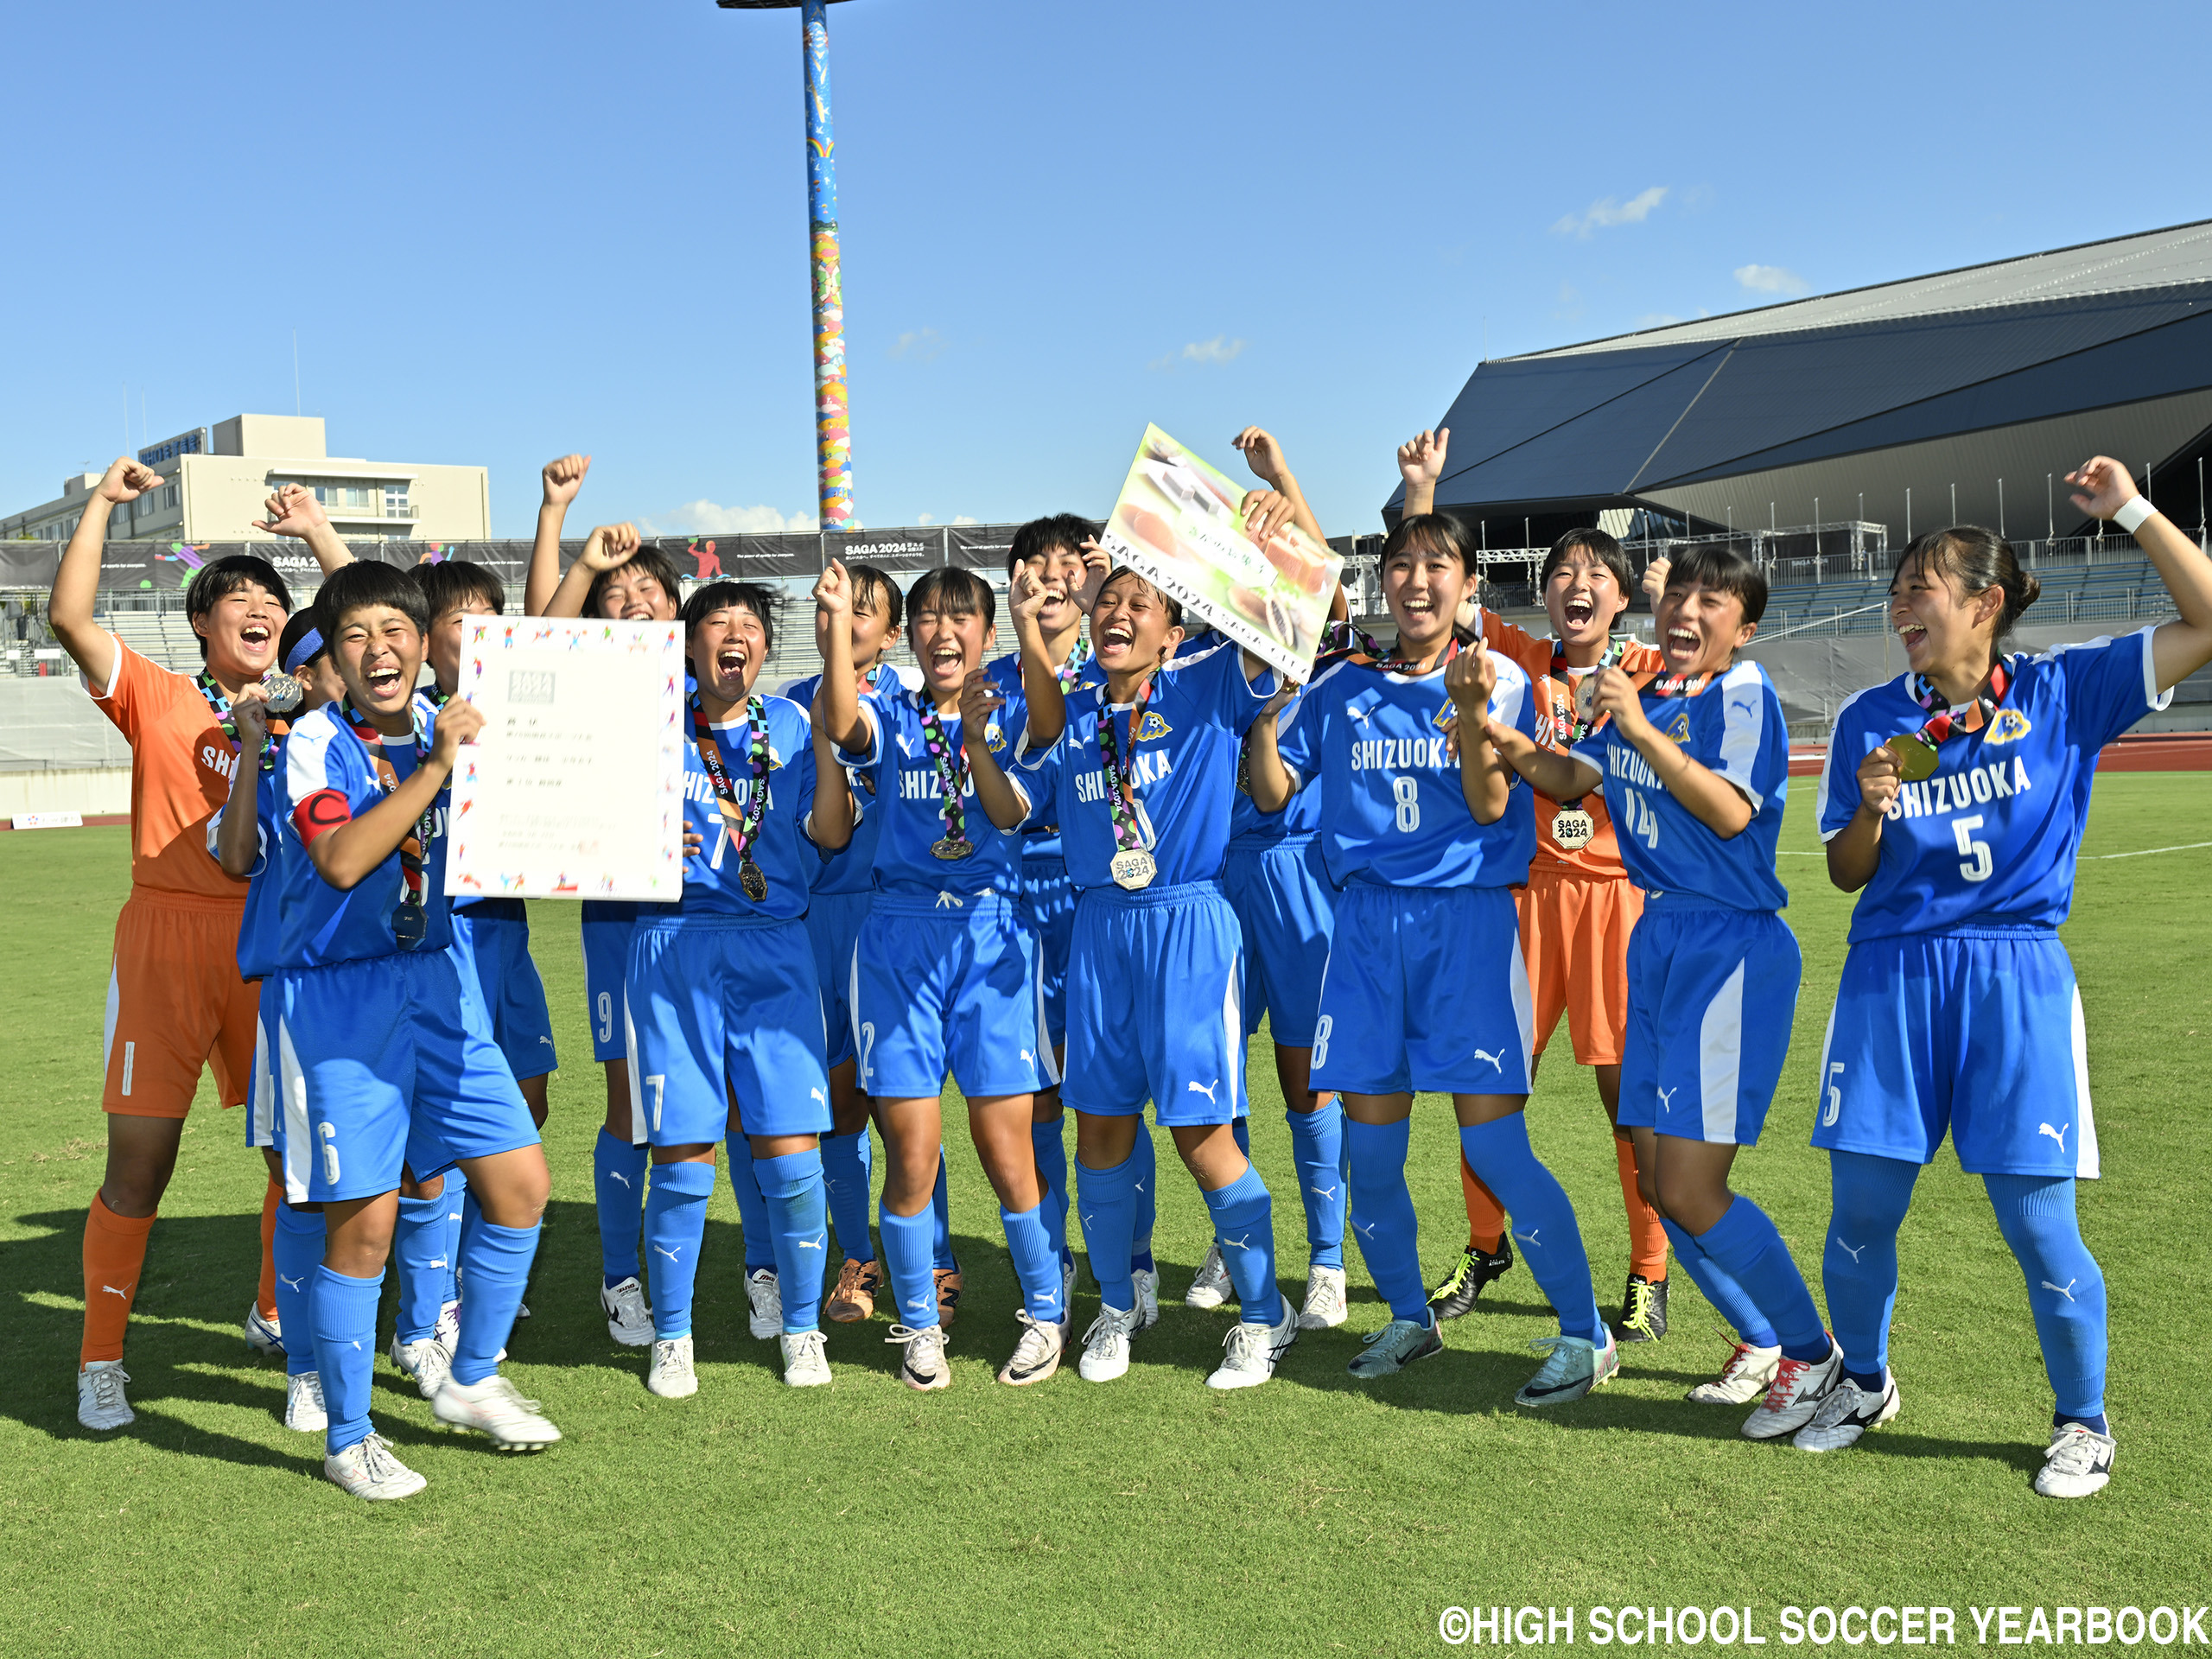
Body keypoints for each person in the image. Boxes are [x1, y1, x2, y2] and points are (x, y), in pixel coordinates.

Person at [1802, 458, 2212, 1497]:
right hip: (1892, 980)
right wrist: (1869, 807)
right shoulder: (1866, 720)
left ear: (1985, 604)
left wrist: (2128, 509)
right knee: (1859, 1208)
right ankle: (1862, 1381)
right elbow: (1847, 874)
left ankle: (2083, 1421)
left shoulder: (2066, 689)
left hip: (2016, 979)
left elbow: (2209, 618)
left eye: (1919, 590)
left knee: (2038, 1224)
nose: (1900, 607)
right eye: (1894, 592)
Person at [1249, 513, 1619, 1405]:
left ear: (1467, 586)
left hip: (1466, 930)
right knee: (1370, 1160)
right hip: (1367, 930)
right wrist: (1265, 721)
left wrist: (1464, 712)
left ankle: (1585, 1334)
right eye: (1401, 565)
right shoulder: (1339, 689)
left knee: (1494, 1147)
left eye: (1436, 566)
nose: (1417, 580)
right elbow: (1270, 794)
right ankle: (1411, 1319)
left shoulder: (1507, 681)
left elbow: (1493, 808)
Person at [1487, 543, 1834, 1437]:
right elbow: (1577, 778)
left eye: (1712, 601)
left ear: (1743, 628)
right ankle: (1760, 1341)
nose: (1688, 609)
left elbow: (1728, 810)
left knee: (1686, 1182)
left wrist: (1637, 728)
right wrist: (1509, 742)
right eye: (1680, 592)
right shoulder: (1653, 698)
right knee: (1651, 1169)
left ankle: (1816, 1356)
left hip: (1730, 948)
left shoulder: (1740, 694)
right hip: (1661, 937)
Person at [47, 462, 350, 1431]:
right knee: (140, 1166)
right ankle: (101, 1362)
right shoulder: (159, 695)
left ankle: (277, 1318)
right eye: (237, 601)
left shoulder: (312, 706)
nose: (258, 609)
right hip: (167, 942)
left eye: (271, 599)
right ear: (204, 627)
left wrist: (311, 531)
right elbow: (69, 619)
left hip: (273, 943)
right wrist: (100, 504)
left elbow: (376, 621)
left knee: (294, 1159)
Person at [271, 560, 558, 1499]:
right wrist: (438, 766)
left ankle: (468, 1378)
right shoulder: (316, 740)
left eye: (394, 629)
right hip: (343, 1000)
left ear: (423, 638)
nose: (376, 648)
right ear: (337, 659)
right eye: (354, 637)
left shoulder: (457, 715)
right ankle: (348, 1438)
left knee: (518, 1183)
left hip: (442, 981)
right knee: (366, 1227)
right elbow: (345, 858)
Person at [1400, 426, 1676, 1342]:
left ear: (1624, 598)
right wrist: (1424, 491)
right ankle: (1486, 1246)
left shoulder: (1647, 673)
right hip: (1522, 904)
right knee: (1485, 1087)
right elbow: (1433, 585)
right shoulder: (1520, 661)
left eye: (1596, 573)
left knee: (1624, 1100)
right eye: (1562, 573)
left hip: (1615, 906)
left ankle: (1648, 1271)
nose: (1576, 585)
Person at [1003, 551, 1300, 1391]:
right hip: (1101, 928)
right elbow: (1039, 729)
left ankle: (1260, 1316)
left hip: (1187, 924)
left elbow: (1290, 623)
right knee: (1098, 1129)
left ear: (1174, 634)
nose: (1116, 613)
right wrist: (1030, 625)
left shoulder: (1206, 687)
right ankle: (1117, 1308)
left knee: (1201, 1137)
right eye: (1108, 602)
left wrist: (1218, 544)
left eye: (1141, 603)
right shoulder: (1077, 712)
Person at [817, 561, 1068, 1387]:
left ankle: (1044, 1311)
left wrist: (975, 742)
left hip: (992, 934)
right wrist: (830, 632)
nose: (942, 631)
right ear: (910, 636)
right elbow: (841, 722)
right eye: (926, 618)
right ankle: (921, 1325)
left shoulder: (1013, 710)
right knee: (912, 1153)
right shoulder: (888, 710)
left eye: (960, 617)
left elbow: (1005, 813)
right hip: (898, 939)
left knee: (1007, 1150)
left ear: (986, 634)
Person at [626, 580, 852, 1396]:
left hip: (774, 947)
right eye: (717, 621)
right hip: (673, 945)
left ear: (764, 649)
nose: (735, 634)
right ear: (688, 646)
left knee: (791, 1151)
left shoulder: (791, 725)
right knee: (683, 1151)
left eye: (751, 625)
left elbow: (829, 834)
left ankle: (800, 1327)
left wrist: (826, 742)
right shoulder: (649, 724)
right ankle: (675, 1336)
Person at [530, 504, 706, 1347]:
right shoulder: (586, 684)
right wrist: (576, 550)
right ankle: (619, 1276)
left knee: (730, 1106)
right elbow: (531, 655)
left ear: (677, 604)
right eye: (617, 592)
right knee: (632, 1105)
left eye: (650, 587)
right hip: (623, 920)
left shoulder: (709, 685)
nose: (635, 598)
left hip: (719, 920)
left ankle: (755, 1271)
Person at [1196, 426, 1353, 1331]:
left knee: (1305, 1075)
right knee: (1219, 1075)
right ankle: (1236, 1235)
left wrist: (1283, 479)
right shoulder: (1201, 663)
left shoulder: (1313, 664)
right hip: (1213, 880)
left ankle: (1326, 1260)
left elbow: (1315, 572)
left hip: (1294, 879)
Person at [209, 607, 345, 1433]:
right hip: (301, 997)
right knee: (301, 1190)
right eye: (338, 651)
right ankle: (303, 1366)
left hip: (401, 987)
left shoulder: (412, 735)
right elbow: (233, 859)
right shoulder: (289, 748)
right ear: (307, 671)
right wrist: (254, 747)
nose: (364, 658)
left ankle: (420, 1335)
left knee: (415, 1178)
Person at [776, 563, 918, 1325]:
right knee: (833, 1100)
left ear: (892, 634)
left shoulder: (908, 703)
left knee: (903, 1097)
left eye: (865, 612)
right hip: (805, 922)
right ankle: (856, 1257)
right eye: (836, 607)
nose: (849, 619)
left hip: (886, 914)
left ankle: (932, 1260)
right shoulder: (788, 709)